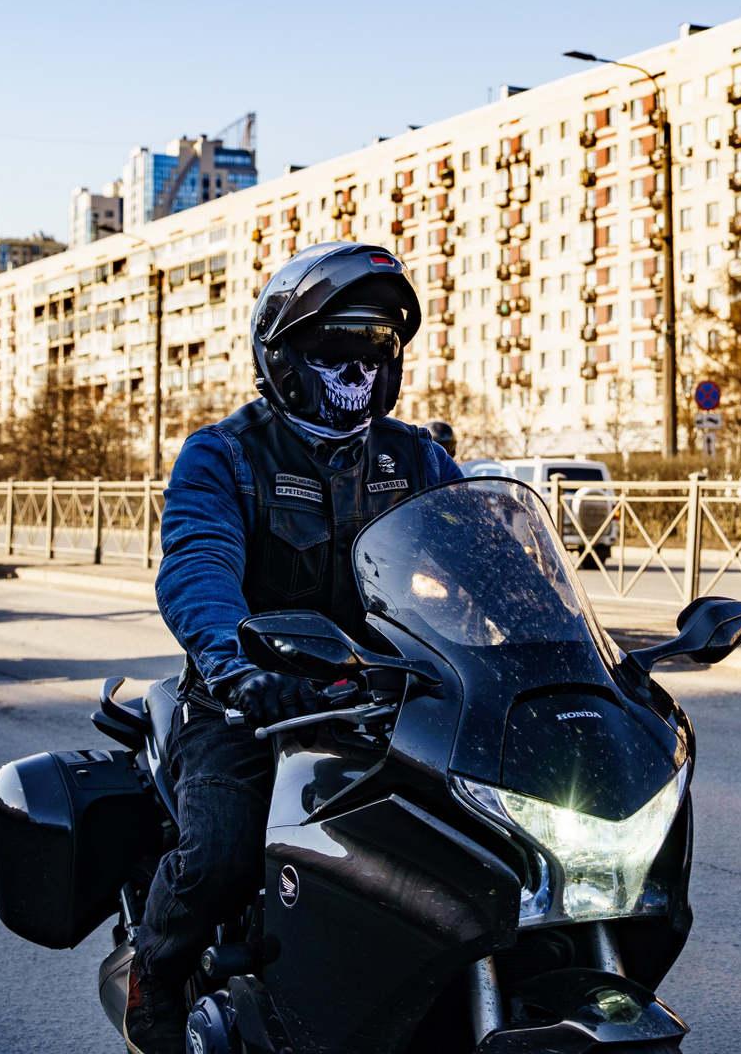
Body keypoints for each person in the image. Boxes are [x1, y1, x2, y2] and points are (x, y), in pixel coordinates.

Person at [125, 243, 461, 1053]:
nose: (358, 368)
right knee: (222, 853)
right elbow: (198, 566)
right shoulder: (226, 456)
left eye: (375, 347)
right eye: (336, 347)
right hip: (253, 704)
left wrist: (574, 651)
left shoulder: (415, 457)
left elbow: (489, 559)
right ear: (282, 357)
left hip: (392, 700)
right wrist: (237, 667)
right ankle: (154, 985)